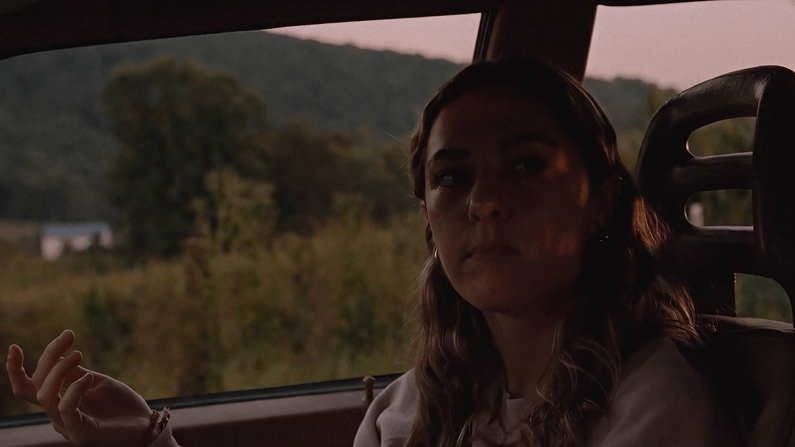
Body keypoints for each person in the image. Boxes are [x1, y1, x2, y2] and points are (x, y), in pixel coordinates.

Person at [6, 58, 738, 447]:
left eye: (524, 165)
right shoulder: (422, 403)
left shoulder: (653, 404)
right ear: (428, 221)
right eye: (451, 178)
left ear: (601, 200)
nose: (483, 200)